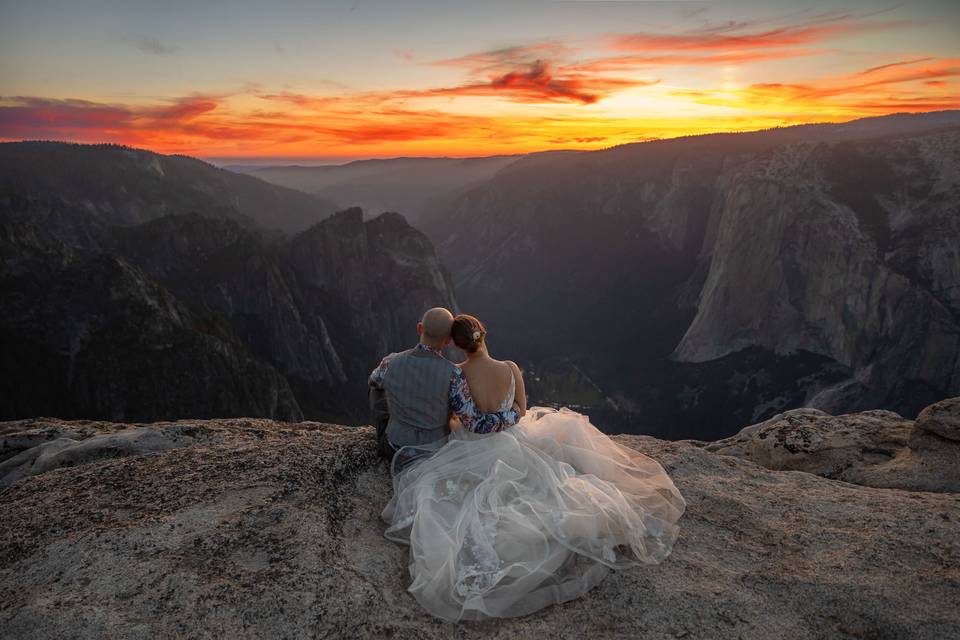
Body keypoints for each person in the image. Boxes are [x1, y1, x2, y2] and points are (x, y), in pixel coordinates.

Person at [381, 313, 686, 622]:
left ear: (456, 346)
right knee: (551, 484)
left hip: (467, 450)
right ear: (483, 334)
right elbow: (522, 410)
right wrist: (508, 417)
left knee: (469, 504)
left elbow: (459, 418)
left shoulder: (455, 373)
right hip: (512, 444)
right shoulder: (510, 368)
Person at [368, 307, 519, 476]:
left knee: (376, 391)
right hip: (432, 454)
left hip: (392, 446)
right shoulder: (453, 375)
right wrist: (513, 414)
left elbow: (373, 381)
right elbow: (474, 424)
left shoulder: (390, 362)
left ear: (420, 328)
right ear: (448, 340)